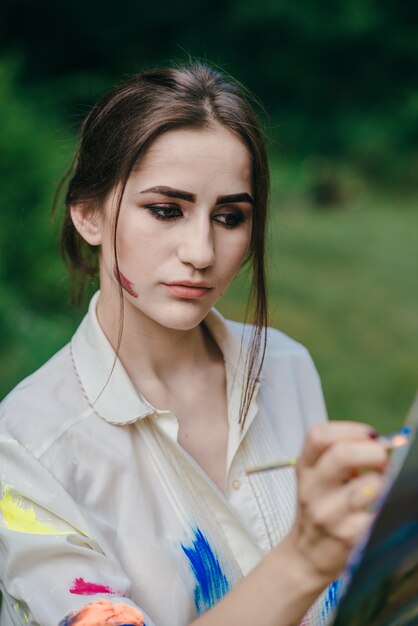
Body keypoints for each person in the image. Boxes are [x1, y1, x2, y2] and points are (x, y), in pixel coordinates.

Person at [0, 63, 388, 626]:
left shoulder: (286, 365)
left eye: (230, 217)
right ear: (87, 213)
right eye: (165, 210)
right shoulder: (26, 449)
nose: (202, 252)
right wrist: (305, 559)